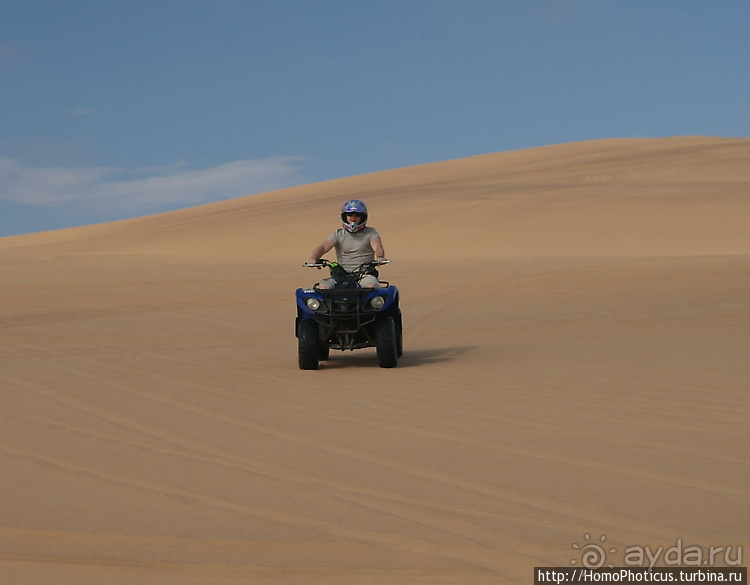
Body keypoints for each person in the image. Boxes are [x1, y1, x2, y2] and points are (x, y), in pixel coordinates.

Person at [307, 199, 388, 289]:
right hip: (341, 275)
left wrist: (380, 257)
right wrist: (313, 258)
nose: (353, 218)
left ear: (363, 217)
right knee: (324, 287)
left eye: (357, 215)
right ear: (345, 216)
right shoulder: (338, 234)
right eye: (350, 215)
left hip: (364, 275)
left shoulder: (371, 232)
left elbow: (377, 246)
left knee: (370, 286)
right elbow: (323, 247)